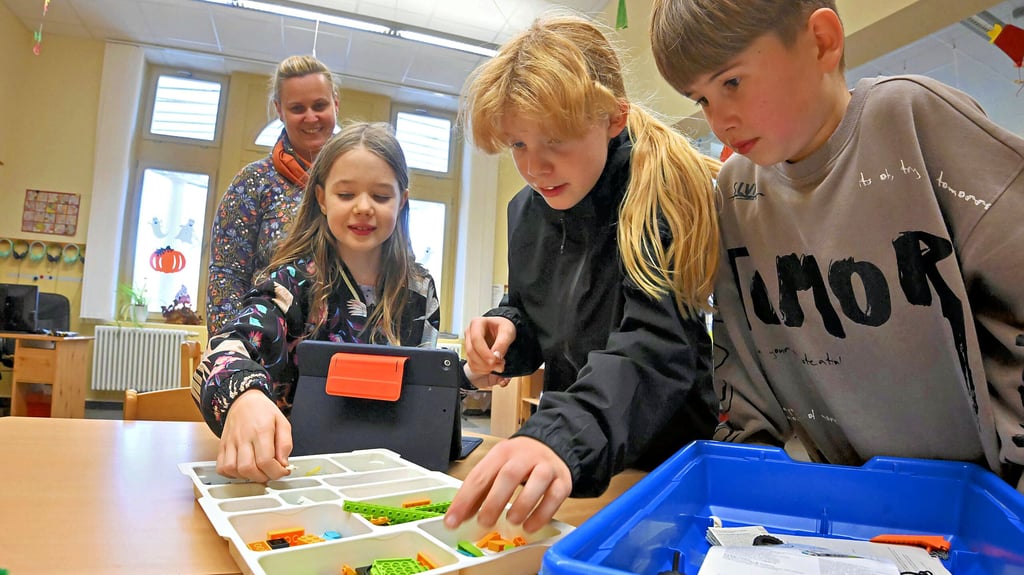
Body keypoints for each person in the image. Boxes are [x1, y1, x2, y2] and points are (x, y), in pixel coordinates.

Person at [649, 0, 1024, 493]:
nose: (719, 121)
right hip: (825, 509)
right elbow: (741, 369)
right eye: (701, 100)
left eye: (732, 83)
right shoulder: (736, 192)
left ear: (822, 41)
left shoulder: (912, 118)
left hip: (973, 507)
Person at [445, 13, 722, 533]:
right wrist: (507, 330)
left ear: (612, 120)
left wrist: (560, 435)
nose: (534, 167)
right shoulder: (525, 211)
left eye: (555, 140)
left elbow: (655, 347)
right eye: (519, 145)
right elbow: (537, 313)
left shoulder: (657, 192)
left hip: (666, 463)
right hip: (588, 457)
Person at [192, 122, 440, 483]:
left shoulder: (419, 289)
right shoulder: (289, 283)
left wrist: (468, 375)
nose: (364, 208)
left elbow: (426, 383)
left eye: (382, 197)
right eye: (346, 195)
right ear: (322, 199)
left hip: (388, 471)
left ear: (402, 201)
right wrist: (244, 397)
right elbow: (224, 353)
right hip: (294, 470)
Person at [207, 55, 339, 334]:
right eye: (297, 108)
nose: (311, 117)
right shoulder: (252, 183)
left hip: (342, 344)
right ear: (279, 110)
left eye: (320, 105)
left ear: (335, 103)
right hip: (267, 345)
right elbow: (226, 276)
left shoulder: (359, 181)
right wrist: (231, 350)